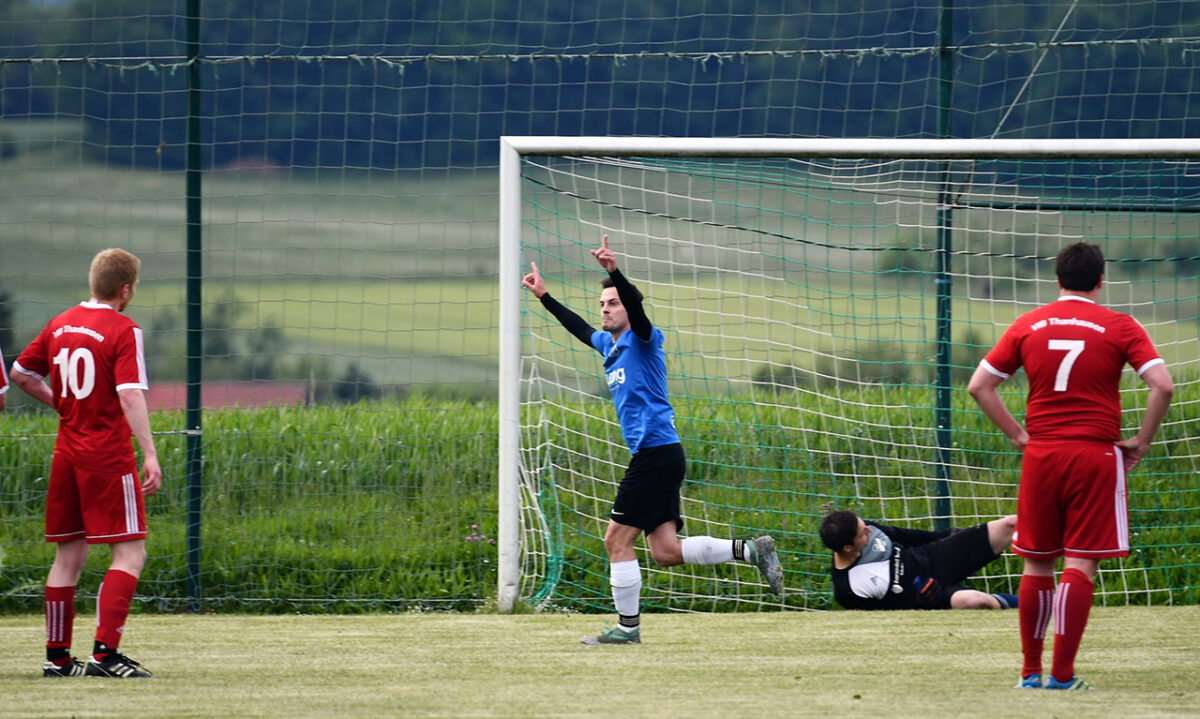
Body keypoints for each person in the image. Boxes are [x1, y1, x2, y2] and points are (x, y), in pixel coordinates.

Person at [522, 235, 784, 645]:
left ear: (628, 308)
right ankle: (752, 552)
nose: (606, 310)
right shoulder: (609, 346)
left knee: (615, 540)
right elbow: (579, 328)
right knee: (665, 551)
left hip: (655, 455)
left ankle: (627, 630)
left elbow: (638, 310)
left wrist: (614, 272)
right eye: (603, 305)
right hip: (660, 457)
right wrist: (545, 296)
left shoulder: (643, 340)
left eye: (613, 303)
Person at [968, 241, 1173, 691]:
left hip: (1042, 456)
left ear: (1057, 279)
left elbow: (979, 386)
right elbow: (1163, 386)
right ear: (1101, 280)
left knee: (1037, 564)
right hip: (1095, 455)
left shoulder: (1028, 323)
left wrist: (1019, 436)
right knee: (1080, 562)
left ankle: (1029, 673)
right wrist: (1141, 440)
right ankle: (1063, 676)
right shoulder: (1120, 325)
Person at [10, 248, 162, 679]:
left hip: (67, 451)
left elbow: (22, 374)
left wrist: (62, 403)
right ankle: (104, 656)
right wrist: (149, 453)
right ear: (127, 289)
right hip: (107, 454)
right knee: (130, 553)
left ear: (94, 282)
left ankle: (57, 658)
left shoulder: (61, 323)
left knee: (68, 555)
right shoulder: (124, 328)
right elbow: (130, 394)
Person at [819, 509, 1018, 611]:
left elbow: (905, 535)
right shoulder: (848, 589)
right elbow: (885, 617)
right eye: (863, 533)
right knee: (976, 601)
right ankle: (1029, 604)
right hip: (933, 596)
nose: (869, 530)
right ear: (847, 547)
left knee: (1012, 524)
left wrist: (946, 536)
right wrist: (919, 602)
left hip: (934, 555)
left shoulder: (867, 529)